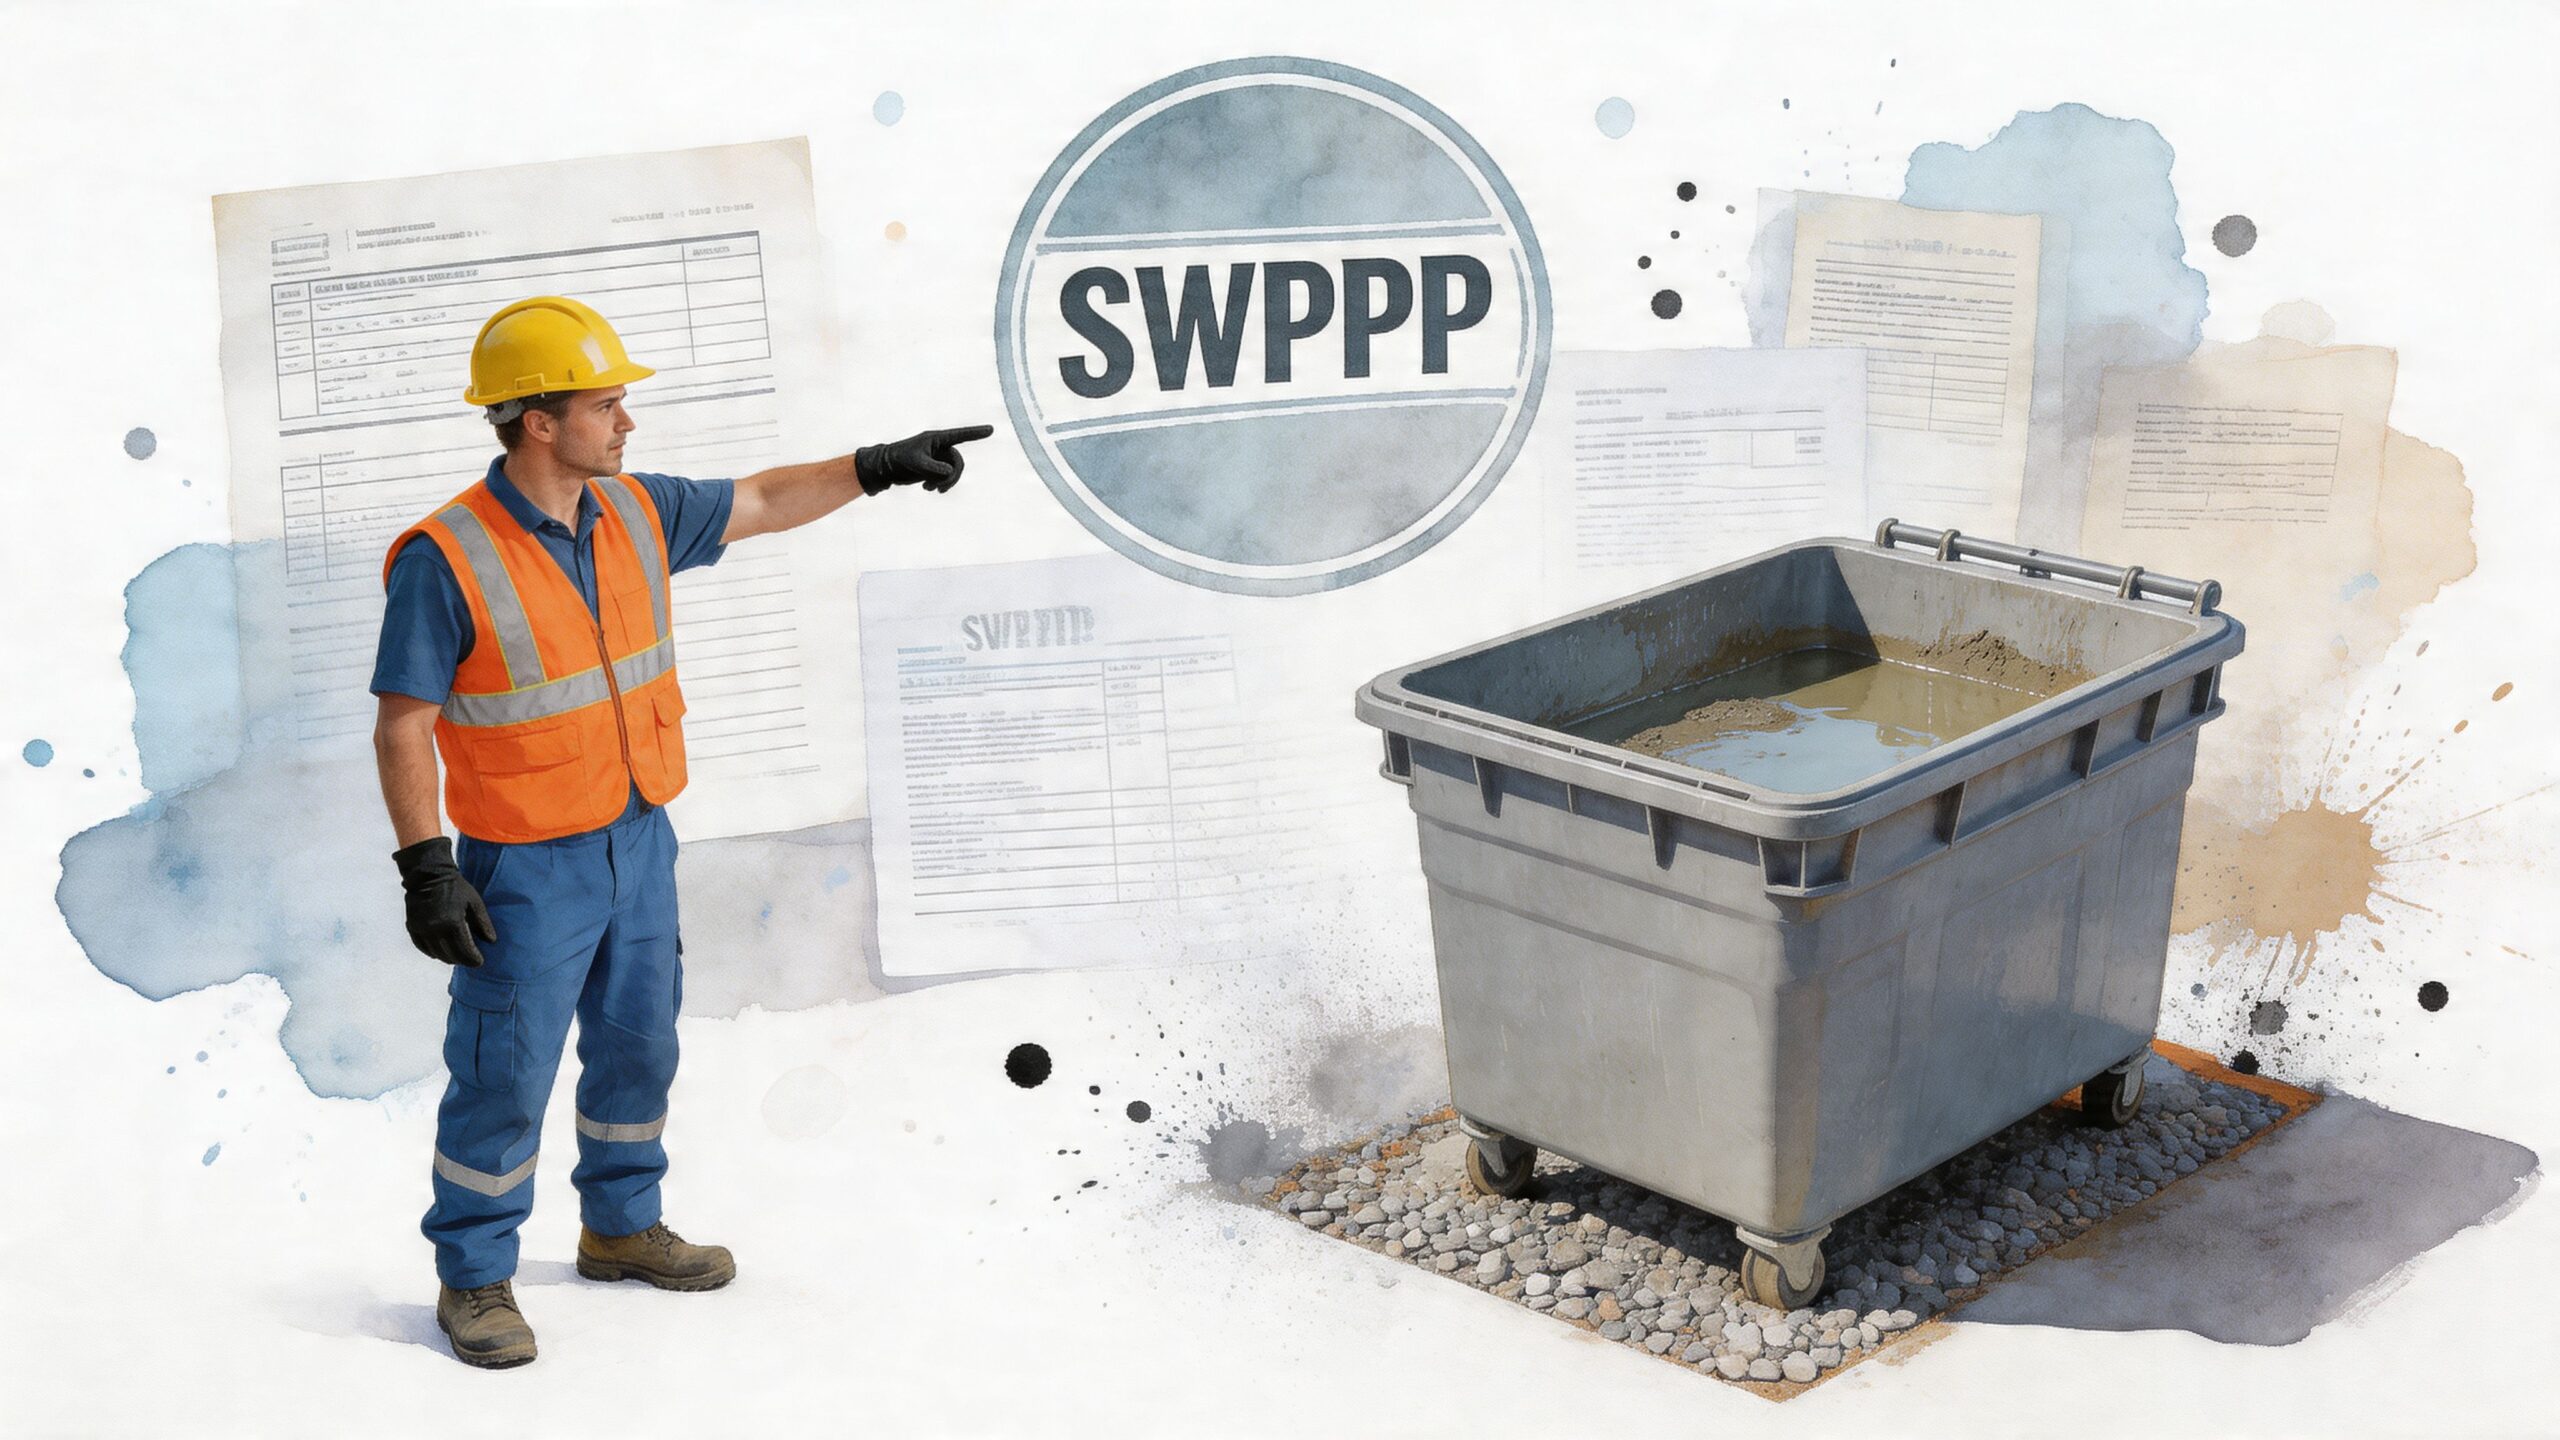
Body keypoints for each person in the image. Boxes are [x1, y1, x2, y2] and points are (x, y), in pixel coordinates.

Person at [369, 294, 988, 1368]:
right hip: (525, 866)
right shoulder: (447, 557)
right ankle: (472, 1276)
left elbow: (761, 499)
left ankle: (619, 1227)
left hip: (639, 838)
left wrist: (877, 465)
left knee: (640, 1046)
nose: (627, 423)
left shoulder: (636, 511)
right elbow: (403, 724)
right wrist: (427, 866)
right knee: (505, 1073)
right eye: (605, 406)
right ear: (538, 422)